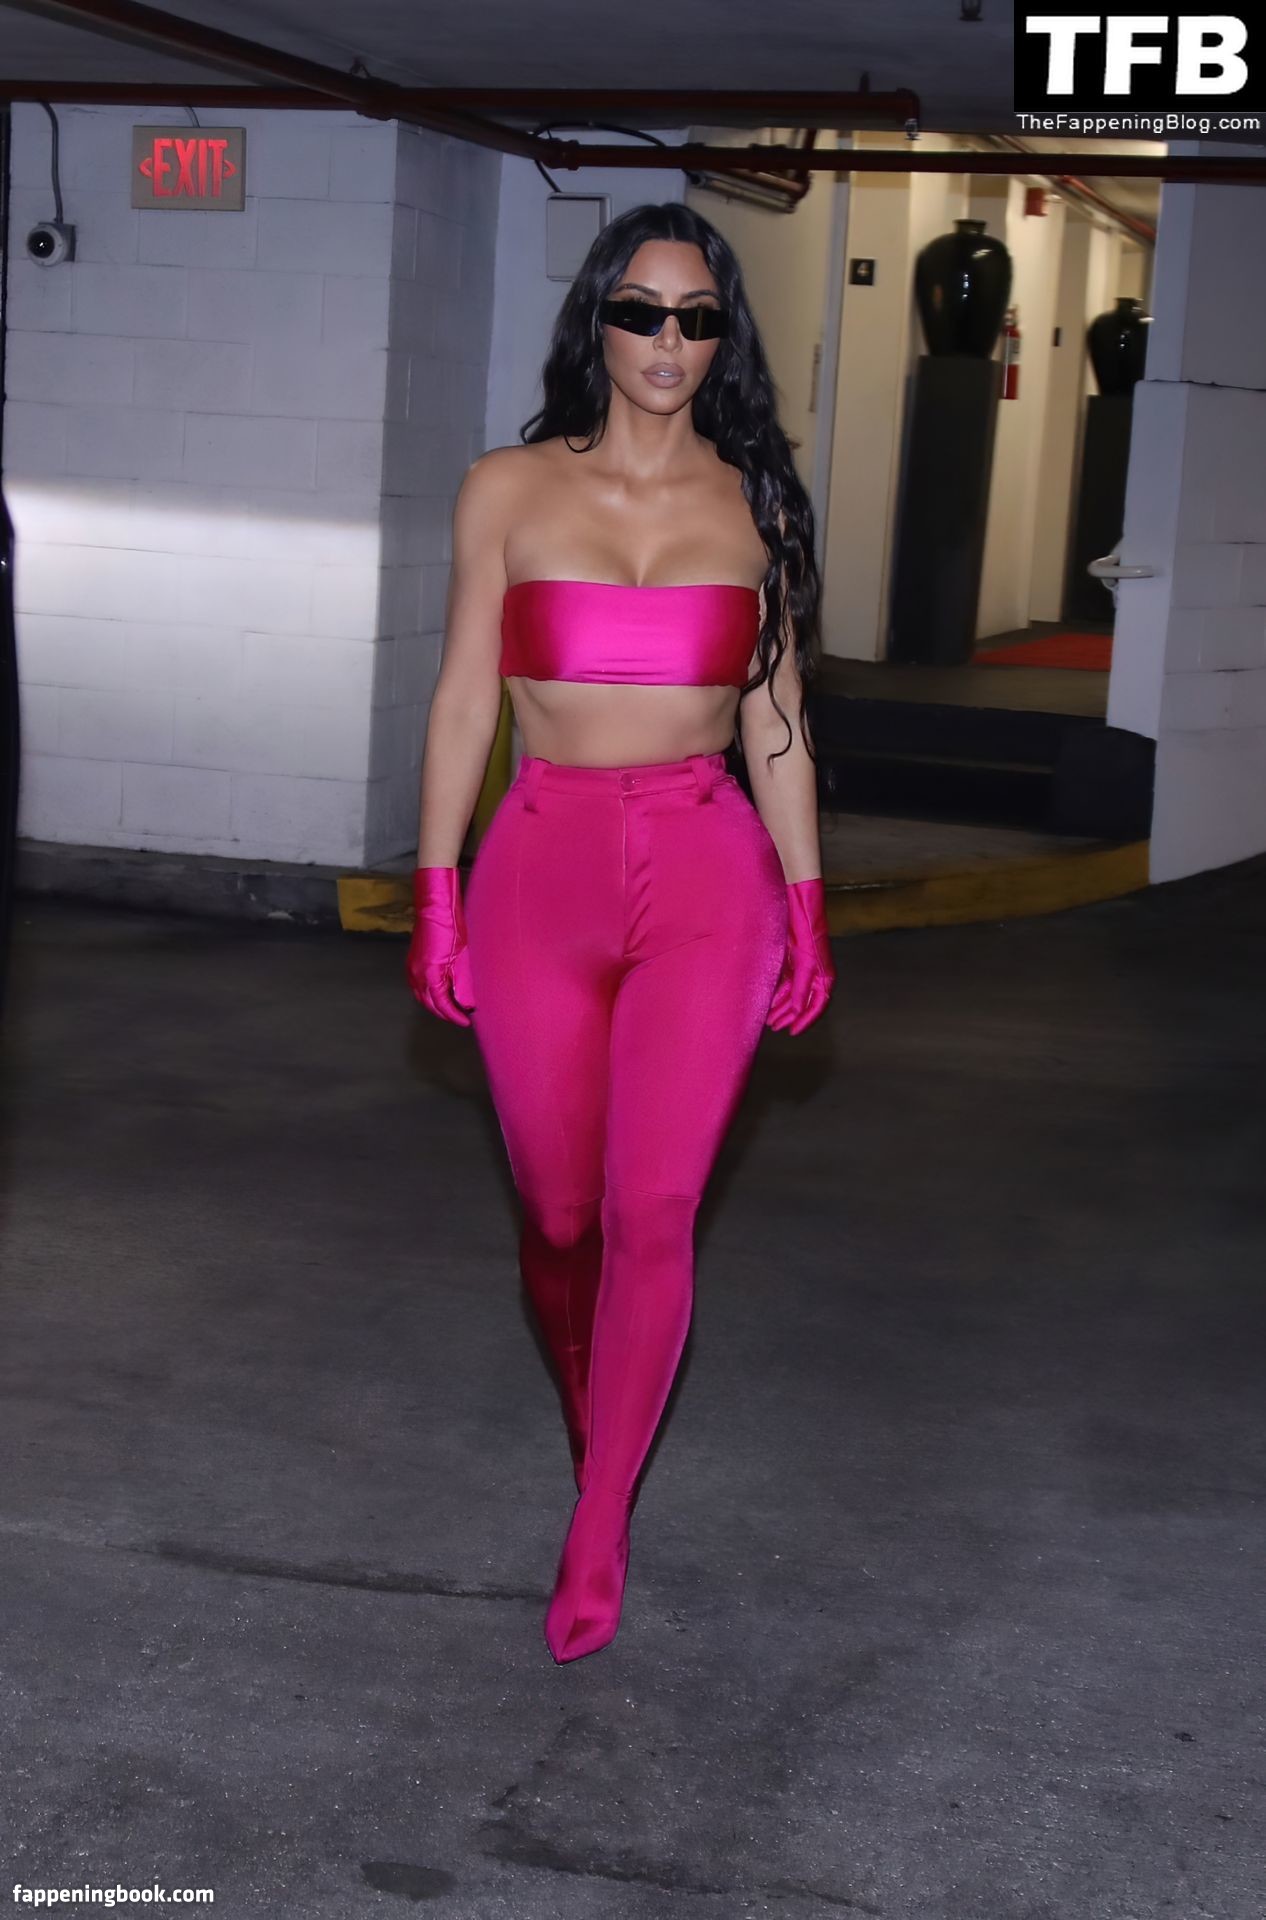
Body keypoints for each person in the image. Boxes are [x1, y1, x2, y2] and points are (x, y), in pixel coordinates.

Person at [406, 201, 836, 1665]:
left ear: (724, 341)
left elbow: (776, 719)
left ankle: (599, 1518)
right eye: (641, 311)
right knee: (558, 1215)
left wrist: (807, 905)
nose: (667, 340)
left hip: (709, 875)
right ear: (597, 320)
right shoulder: (508, 487)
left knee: (654, 1211)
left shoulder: (759, 504)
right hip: (543, 864)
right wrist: (436, 888)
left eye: (696, 318)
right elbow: (465, 697)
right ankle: (594, 1408)